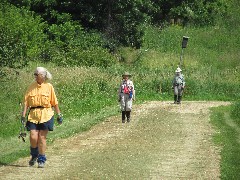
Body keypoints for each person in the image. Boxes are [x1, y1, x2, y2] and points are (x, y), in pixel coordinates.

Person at [21, 67, 63, 168]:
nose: (35, 76)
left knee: (42, 137)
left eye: (37, 74)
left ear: (43, 76)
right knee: (33, 136)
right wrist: (23, 116)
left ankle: (41, 159)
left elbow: (54, 102)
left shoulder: (49, 87)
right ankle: (34, 155)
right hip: (33, 115)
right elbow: (26, 103)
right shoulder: (31, 87)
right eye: (34, 74)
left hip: (46, 114)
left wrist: (59, 114)